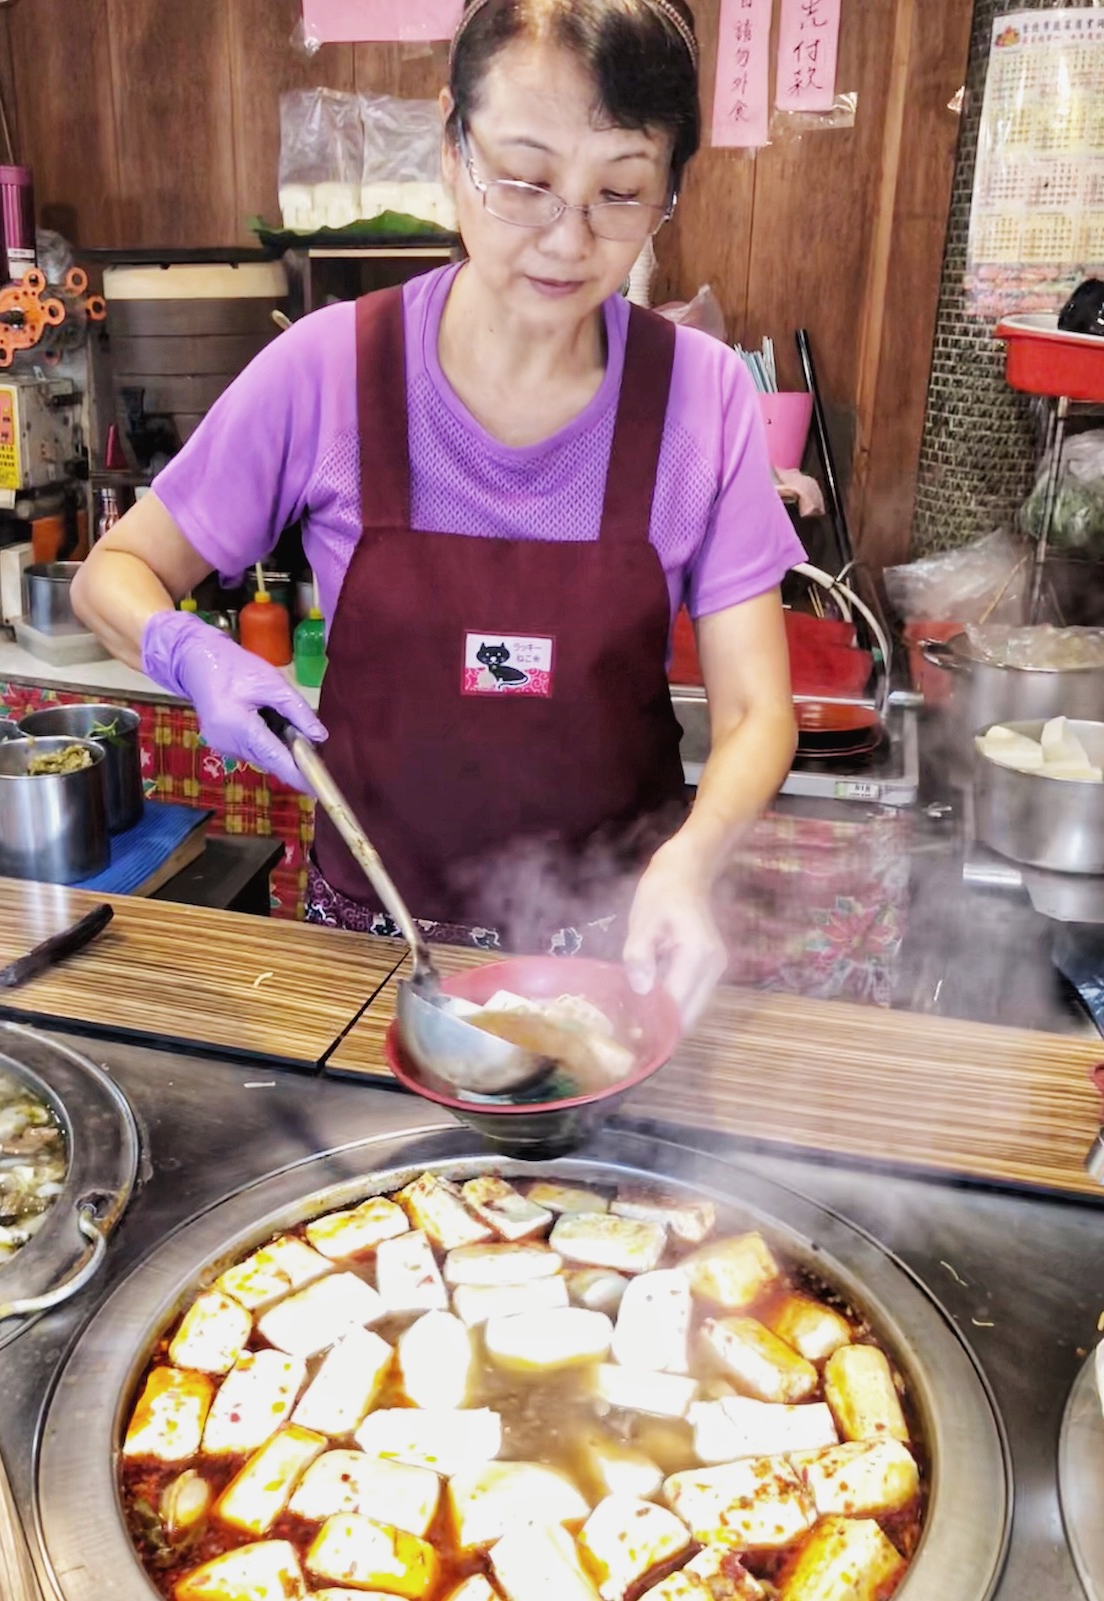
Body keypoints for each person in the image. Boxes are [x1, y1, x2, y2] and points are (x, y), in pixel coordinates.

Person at [72, 0, 803, 1027]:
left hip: (611, 966)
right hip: (375, 966)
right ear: (453, 151)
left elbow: (754, 711)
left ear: (668, 194)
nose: (567, 236)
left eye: (621, 191)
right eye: (526, 179)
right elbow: (112, 573)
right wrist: (192, 656)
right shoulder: (329, 368)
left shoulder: (705, 397)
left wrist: (692, 860)